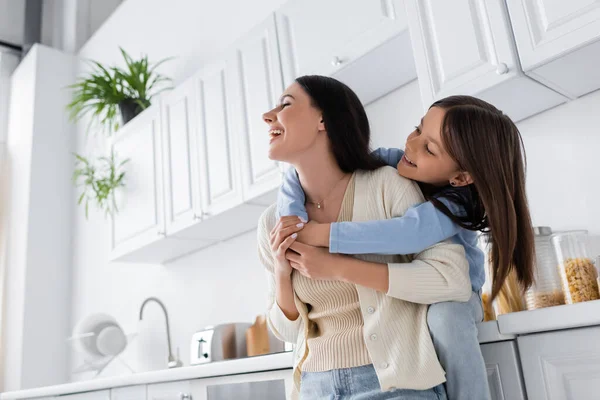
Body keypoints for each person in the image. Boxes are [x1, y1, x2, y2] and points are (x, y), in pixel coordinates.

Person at [277, 94, 536, 400]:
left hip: (455, 294)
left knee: (446, 319)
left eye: (429, 148)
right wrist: (293, 214)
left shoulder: (457, 204)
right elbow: (303, 170)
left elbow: (406, 234)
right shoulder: (399, 163)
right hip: (404, 303)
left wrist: (322, 234)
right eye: (417, 129)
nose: (411, 145)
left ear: (461, 177)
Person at [257, 75, 472, 399]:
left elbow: (452, 279)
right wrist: (282, 273)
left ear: (323, 119)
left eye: (286, 104)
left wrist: (337, 267)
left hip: (393, 383)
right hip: (315, 387)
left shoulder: (387, 184)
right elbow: (286, 330)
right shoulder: (272, 221)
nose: (268, 115)